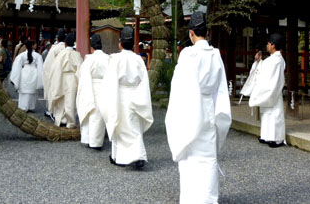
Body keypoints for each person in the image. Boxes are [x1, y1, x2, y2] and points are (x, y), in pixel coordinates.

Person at [165, 11, 231, 204]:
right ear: (207, 32)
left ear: (191, 33)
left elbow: (179, 87)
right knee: (208, 156)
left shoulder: (187, 54)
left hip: (189, 109)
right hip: (209, 109)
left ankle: (191, 199)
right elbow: (220, 89)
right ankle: (209, 198)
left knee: (189, 156)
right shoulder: (216, 55)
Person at [99, 26, 153, 169]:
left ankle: (120, 156)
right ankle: (137, 155)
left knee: (119, 125)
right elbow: (144, 81)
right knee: (135, 127)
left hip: (120, 96)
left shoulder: (115, 59)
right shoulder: (138, 60)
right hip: (136, 95)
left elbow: (109, 82)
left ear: (120, 43)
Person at [249, 32, 286, 147]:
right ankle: (266, 136)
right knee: (267, 114)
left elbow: (262, 73)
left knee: (274, 114)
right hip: (272, 90)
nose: (267, 46)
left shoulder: (274, 60)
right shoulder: (277, 60)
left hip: (271, 90)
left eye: (268, 43)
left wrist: (259, 63)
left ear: (273, 45)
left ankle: (276, 139)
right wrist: (260, 62)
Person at [76, 34, 110, 149]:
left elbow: (82, 75)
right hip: (105, 88)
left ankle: (89, 139)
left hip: (90, 86)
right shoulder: (108, 58)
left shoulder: (89, 60)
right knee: (99, 116)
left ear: (92, 48)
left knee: (90, 112)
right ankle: (96, 141)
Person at [49, 33, 83, 128]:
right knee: (71, 101)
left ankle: (61, 120)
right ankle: (70, 122)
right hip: (73, 79)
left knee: (61, 100)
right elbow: (80, 69)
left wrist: (55, 81)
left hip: (61, 77)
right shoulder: (77, 55)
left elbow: (55, 68)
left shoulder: (61, 54)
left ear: (65, 44)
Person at [9, 40, 44, 112]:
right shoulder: (37, 55)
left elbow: (17, 66)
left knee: (24, 91)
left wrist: (15, 78)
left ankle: (23, 106)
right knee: (32, 91)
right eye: (35, 44)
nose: (36, 45)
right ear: (32, 45)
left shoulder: (22, 55)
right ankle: (31, 106)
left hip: (24, 72)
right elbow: (41, 67)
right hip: (34, 72)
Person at [42, 29, 67, 119]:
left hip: (56, 75)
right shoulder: (68, 49)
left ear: (57, 39)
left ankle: (52, 111)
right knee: (64, 96)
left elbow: (47, 66)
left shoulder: (54, 49)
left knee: (54, 93)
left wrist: (48, 77)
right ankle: (64, 116)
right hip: (66, 76)